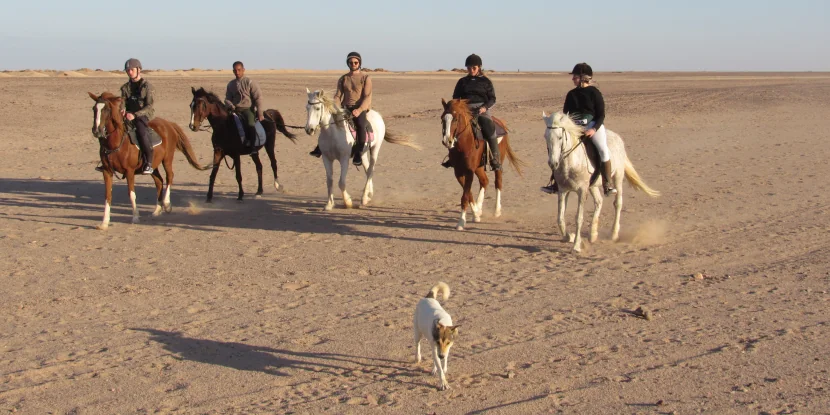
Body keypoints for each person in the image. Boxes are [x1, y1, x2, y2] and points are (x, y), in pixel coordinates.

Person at [541, 62, 617, 196]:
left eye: (575, 76)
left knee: (603, 150)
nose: (572, 79)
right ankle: (555, 183)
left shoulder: (595, 93)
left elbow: (601, 115)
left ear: (583, 78)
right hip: (574, 127)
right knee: (558, 148)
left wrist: (593, 129)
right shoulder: (571, 94)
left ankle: (607, 183)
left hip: (592, 125)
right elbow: (566, 115)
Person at [309, 51, 374, 165]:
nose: (353, 64)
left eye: (355, 62)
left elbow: (367, 97)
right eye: (351, 62)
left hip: (360, 109)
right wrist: (335, 107)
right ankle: (320, 147)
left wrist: (359, 110)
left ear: (359, 63)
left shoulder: (366, 78)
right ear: (348, 63)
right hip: (345, 108)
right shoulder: (343, 78)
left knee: (360, 125)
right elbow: (338, 95)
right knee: (328, 122)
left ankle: (358, 153)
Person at [445, 53, 500, 171]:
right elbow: (455, 97)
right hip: (464, 110)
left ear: (479, 67)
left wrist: (484, 107)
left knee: (489, 126)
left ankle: (495, 158)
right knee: (453, 127)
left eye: (473, 68)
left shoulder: (486, 81)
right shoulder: (462, 81)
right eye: (469, 68)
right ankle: (452, 157)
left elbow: (492, 99)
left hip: (481, 109)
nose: (471, 70)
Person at [116, 58, 156, 174]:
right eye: (127, 70)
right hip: (127, 114)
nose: (129, 72)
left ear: (139, 70)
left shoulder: (147, 87)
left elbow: (149, 105)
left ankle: (148, 162)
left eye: (132, 70)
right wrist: (122, 110)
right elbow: (123, 101)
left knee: (141, 132)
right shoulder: (125, 87)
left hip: (143, 115)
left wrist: (135, 115)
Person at [225, 61, 265, 152]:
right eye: (235, 70)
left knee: (251, 124)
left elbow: (258, 97)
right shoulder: (231, 84)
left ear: (243, 70)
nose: (237, 72)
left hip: (247, 109)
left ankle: (253, 147)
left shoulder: (250, 82)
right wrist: (230, 105)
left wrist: (260, 113)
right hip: (234, 109)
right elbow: (227, 98)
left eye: (239, 70)